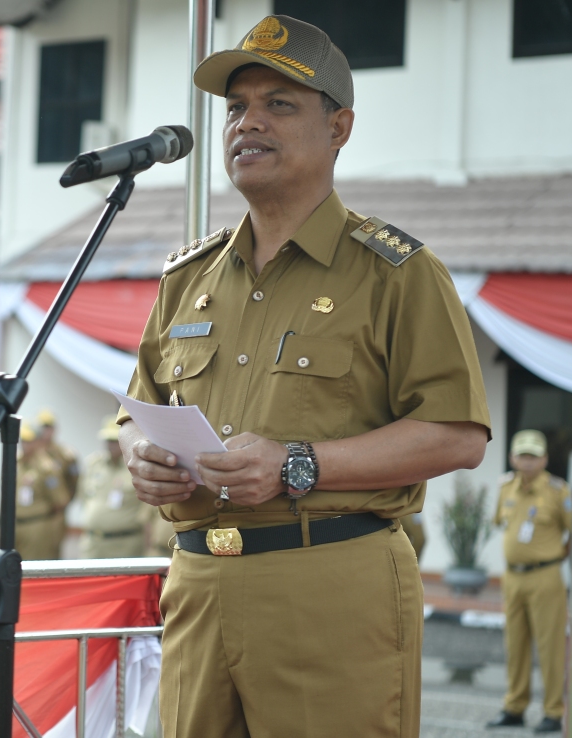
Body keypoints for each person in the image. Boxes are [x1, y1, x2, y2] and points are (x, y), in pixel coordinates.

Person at [118, 15, 490, 737]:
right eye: (235, 108)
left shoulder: (397, 273)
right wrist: (142, 454)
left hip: (328, 585)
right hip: (197, 585)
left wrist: (297, 462)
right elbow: (140, 407)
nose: (247, 123)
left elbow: (457, 435)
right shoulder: (187, 278)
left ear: (339, 127)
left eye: (279, 104)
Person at [486, 430, 571, 733]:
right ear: (512, 458)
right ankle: (515, 707)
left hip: (545, 577)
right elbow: (500, 522)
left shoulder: (558, 491)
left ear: (545, 459)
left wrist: (560, 556)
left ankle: (553, 711)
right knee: (515, 644)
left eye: (534, 455)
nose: (528, 461)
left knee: (550, 647)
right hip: (512, 577)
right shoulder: (506, 487)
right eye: (523, 455)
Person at [77, 417, 149, 559]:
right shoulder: (94, 464)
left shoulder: (136, 467)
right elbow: (83, 497)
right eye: (108, 441)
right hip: (93, 544)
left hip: (124, 544)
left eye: (115, 440)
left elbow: (147, 509)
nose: (111, 445)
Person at [15, 423, 68, 561]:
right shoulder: (17, 463)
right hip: (17, 524)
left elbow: (59, 501)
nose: (24, 445)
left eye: (29, 441)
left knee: (34, 565)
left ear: (38, 442)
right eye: (23, 441)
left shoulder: (47, 467)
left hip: (37, 525)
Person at [38, 410, 80, 555]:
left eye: (48, 427)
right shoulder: (30, 453)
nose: (45, 431)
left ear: (54, 429)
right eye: (42, 427)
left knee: (52, 550)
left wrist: (64, 502)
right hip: (34, 512)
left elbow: (74, 481)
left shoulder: (65, 455)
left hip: (55, 513)